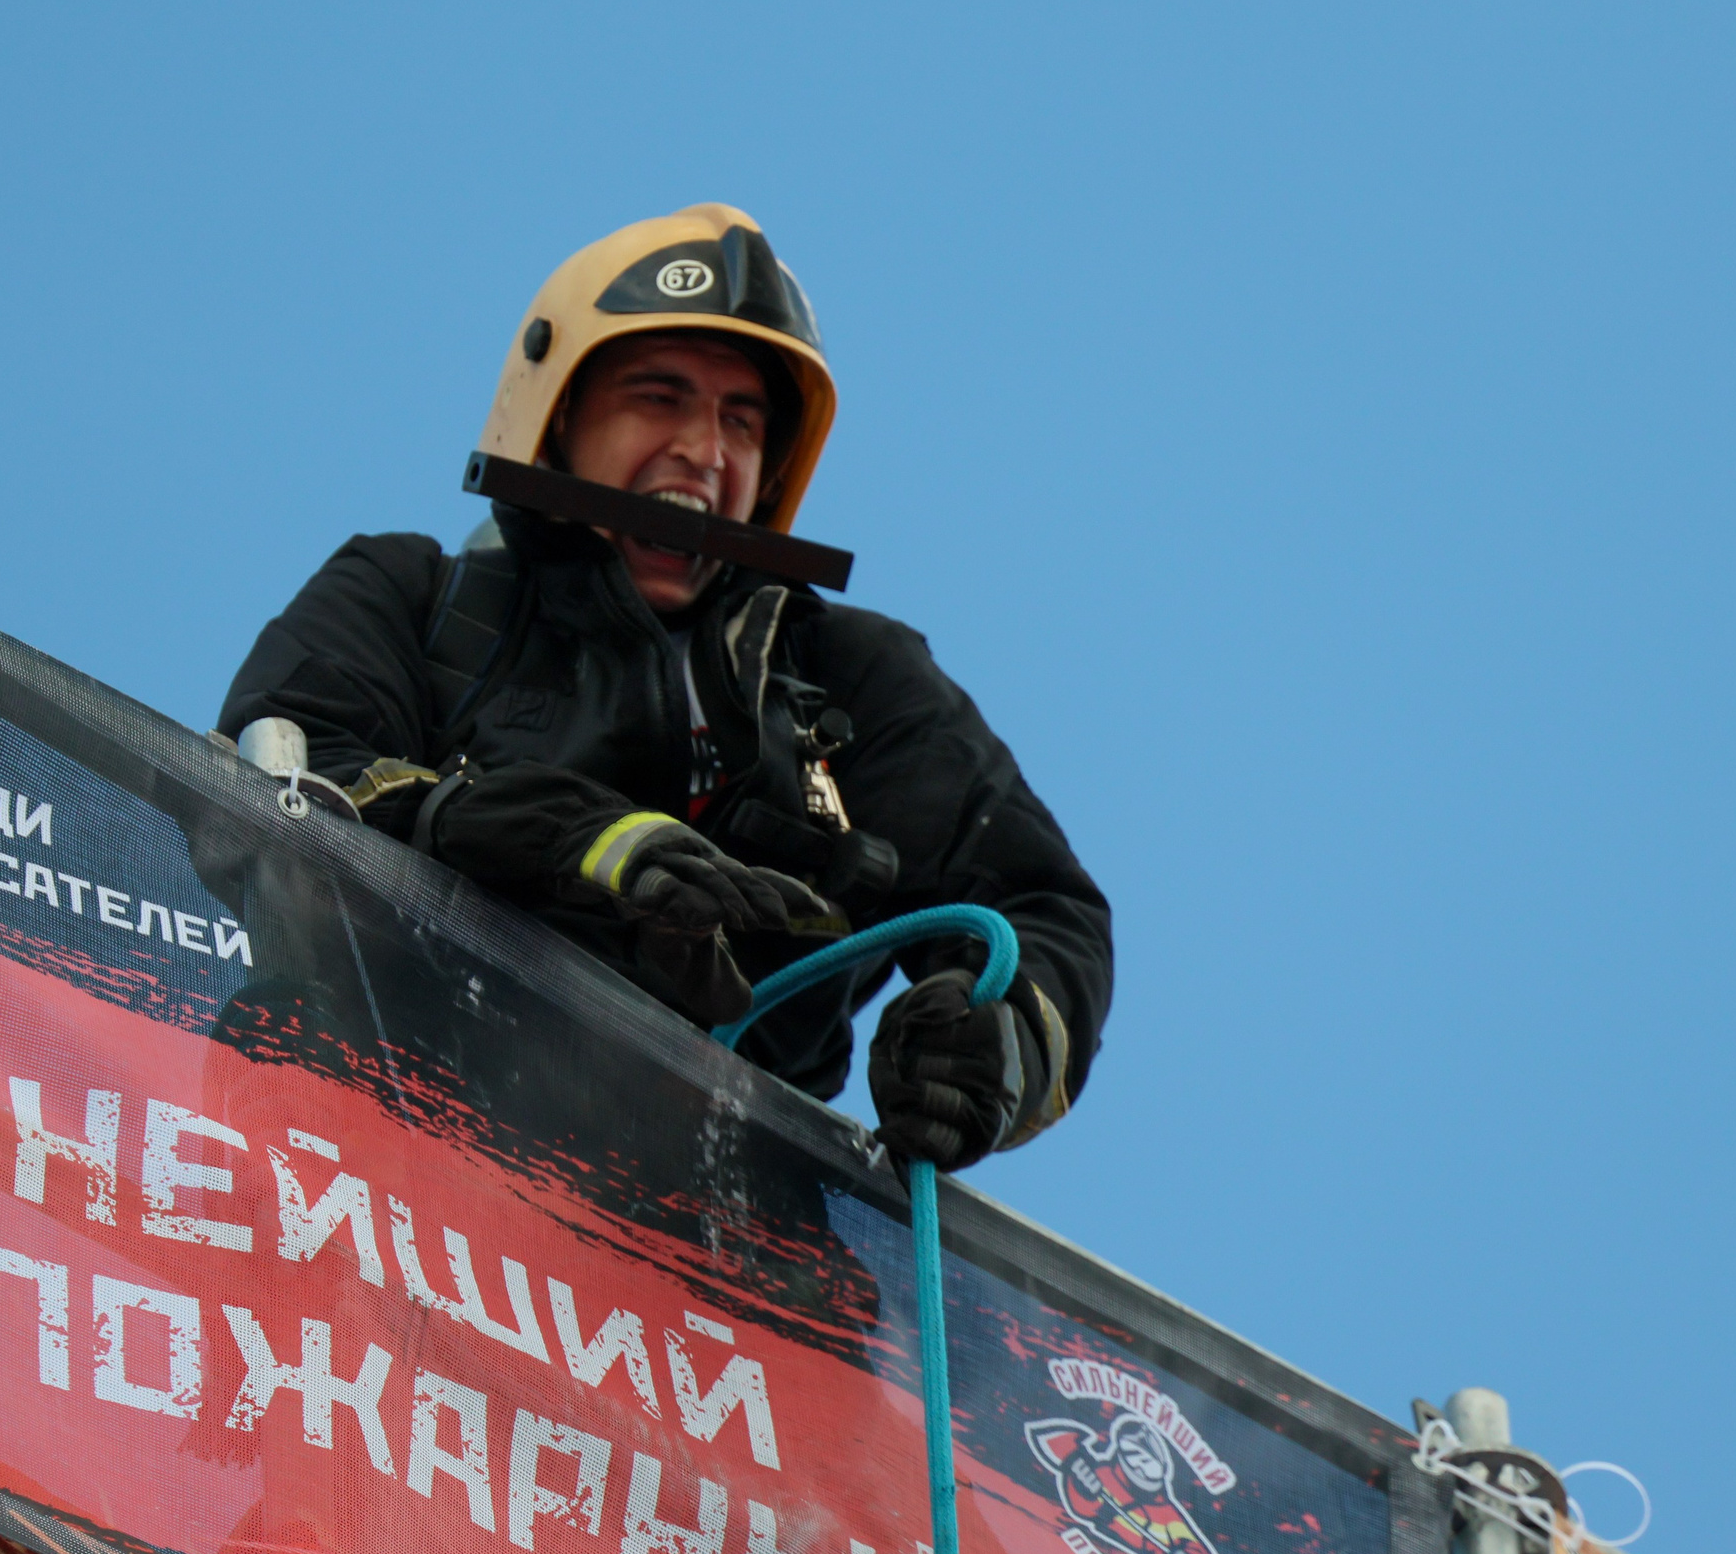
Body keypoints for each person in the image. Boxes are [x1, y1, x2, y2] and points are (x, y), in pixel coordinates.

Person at [217, 204, 1109, 1169]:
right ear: (555, 418)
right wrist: (536, 834)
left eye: (742, 419)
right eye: (660, 396)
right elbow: (268, 799)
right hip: (368, 1175)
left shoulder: (855, 677)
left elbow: (1040, 907)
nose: (705, 449)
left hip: (719, 1270)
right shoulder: (408, 597)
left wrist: (991, 1047)